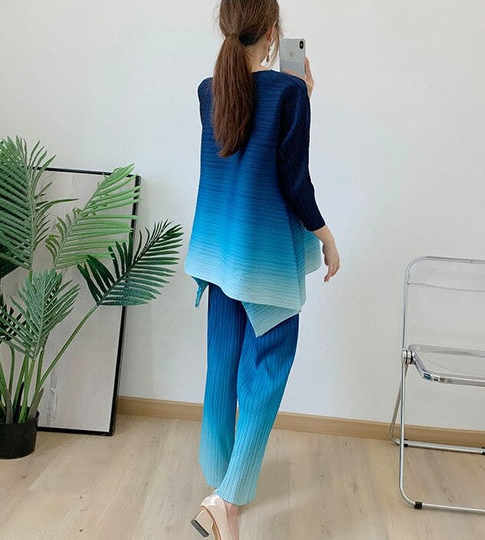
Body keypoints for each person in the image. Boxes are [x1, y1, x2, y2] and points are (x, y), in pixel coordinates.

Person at [185, 1, 340, 538]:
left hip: (219, 254)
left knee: (222, 365)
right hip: (264, 261)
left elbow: (236, 160)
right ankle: (226, 500)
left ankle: (218, 478)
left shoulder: (209, 91)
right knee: (267, 370)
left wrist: (300, 100)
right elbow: (294, 181)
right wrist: (326, 237)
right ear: (273, 32)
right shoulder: (288, 92)